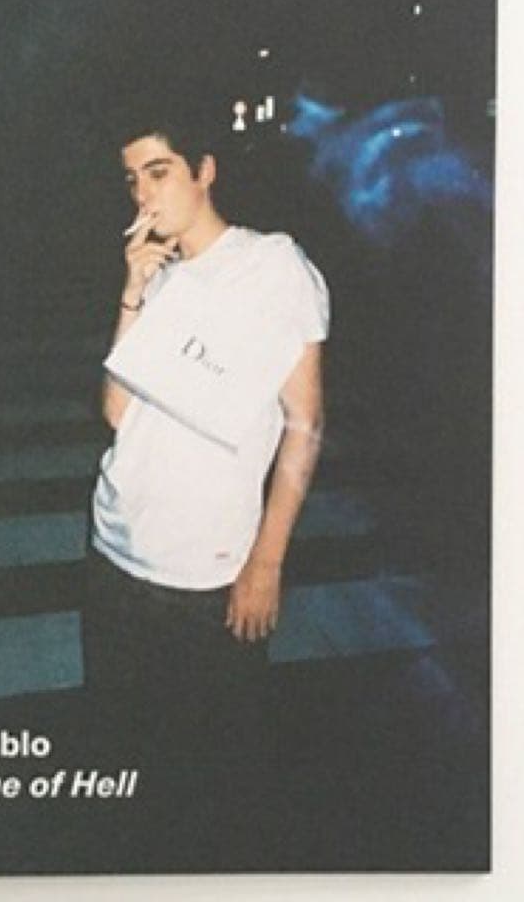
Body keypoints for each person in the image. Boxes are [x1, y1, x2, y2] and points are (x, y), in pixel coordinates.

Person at [81, 109, 328, 865]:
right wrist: (132, 290)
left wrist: (266, 562)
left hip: (206, 571)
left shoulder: (272, 267)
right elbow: (116, 413)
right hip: (114, 551)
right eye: (132, 179)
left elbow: (304, 425)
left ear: (205, 170)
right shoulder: (158, 276)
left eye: (158, 173)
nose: (143, 195)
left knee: (214, 791)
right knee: (125, 773)